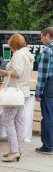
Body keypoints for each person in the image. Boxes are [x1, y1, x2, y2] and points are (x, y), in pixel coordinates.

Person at [0, 34, 34, 162]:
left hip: (14, 92)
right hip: (22, 92)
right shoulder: (27, 55)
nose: (10, 47)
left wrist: (4, 72)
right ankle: (17, 149)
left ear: (14, 44)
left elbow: (17, 73)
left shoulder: (18, 55)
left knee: (7, 120)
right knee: (18, 121)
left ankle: (14, 151)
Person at [35, 27, 53, 155]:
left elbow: (43, 74)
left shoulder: (47, 51)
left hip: (49, 85)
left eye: (41, 36)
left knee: (47, 116)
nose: (41, 39)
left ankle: (48, 146)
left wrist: (38, 92)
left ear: (47, 36)